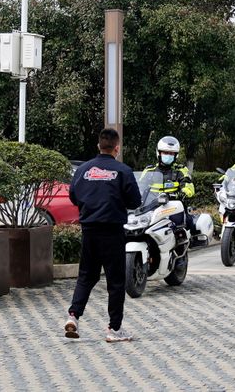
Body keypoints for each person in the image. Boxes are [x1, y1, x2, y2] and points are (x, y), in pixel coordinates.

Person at [64, 128, 141, 342]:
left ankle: (73, 316)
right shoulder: (123, 171)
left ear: (99, 146)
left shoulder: (83, 170)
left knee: (86, 276)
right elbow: (135, 201)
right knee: (115, 282)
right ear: (117, 148)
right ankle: (114, 329)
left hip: (89, 230)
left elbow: (73, 196)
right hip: (112, 231)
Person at [142, 136, 196, 237]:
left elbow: (188, 185)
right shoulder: (149, 171)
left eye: (171, 154)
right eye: (165, 153)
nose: (168, 155)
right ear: (159, 153)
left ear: (176, 155)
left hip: (173, 206)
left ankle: (186, 242)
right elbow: (140, 187)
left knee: (186, 225)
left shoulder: (181, 170)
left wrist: (184, 192)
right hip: (152, 207)